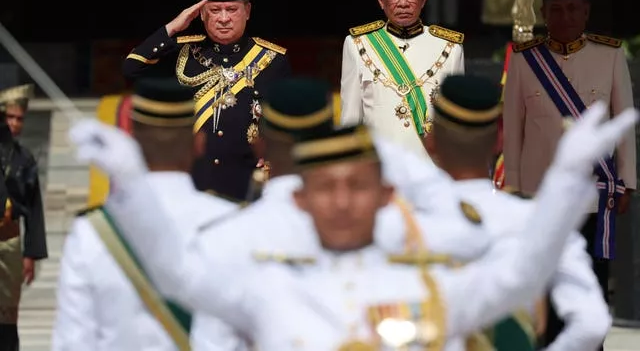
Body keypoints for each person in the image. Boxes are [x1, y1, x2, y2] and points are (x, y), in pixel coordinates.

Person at [66, 99, 638, 349]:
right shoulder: (271, 289)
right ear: (299, 201)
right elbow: (177, 275)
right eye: (326, 189)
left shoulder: (430, 284)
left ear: (388, 196)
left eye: (357, 187)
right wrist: (131, 183)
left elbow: (519, 276)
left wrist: (566, 179)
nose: (342, 202)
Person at [422, 74, 610, 350]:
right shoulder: (538, 222)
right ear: (500, 141)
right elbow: (592, 325)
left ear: (432, 142)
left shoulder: (396, 221)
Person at [51, 78, 241, 351]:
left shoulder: (93, 230)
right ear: (199, 143)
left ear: (131, 140)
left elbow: (73, 342)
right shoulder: (232, 222)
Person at [502, 0, 637, 347]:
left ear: (586, 12)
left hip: (595, 194)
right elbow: (513, 130)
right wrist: (513, 186)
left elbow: (623, 123)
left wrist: (627, 180)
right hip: (538, 193)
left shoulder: (609, 55)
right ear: (544, 13)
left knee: (591, 282)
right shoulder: (525, 61)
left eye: (573, 9)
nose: (565, 17)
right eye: (556, 10)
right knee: (541, 282)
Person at [122, 0, 291, 201]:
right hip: (189, 183)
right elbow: (131, 69)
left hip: (245, 182)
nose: (223, 18)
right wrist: (172, 27)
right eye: (214, 10)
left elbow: (282, 124)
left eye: (231, 10)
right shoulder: (183, 52)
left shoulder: (271, 59)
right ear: (201, 13)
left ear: (247, 11)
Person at [340, 0, 465, 159]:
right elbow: (351, 118)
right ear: (381, 0)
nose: (403, 2)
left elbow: (456, 119)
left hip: (430, 164)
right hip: (381, 165)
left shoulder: (450, 47)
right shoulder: (357, 44)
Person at [0, 84, 47, 351]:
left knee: (7, 312)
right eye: (10, 117)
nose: (15, 124)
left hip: (10, 241)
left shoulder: (24, 159)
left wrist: (31, 252)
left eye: (20, 119)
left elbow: (34, 206)